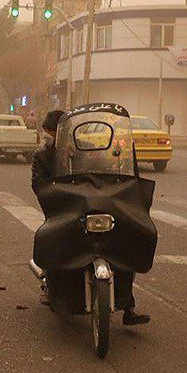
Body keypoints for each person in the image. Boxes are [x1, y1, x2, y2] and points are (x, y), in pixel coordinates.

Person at [31, 108, 150, 326]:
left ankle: (128, 305)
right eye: (49, 132)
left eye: (54, 131)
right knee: (56, 240)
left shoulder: (85, 151)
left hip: (93, 204)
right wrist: (54, 195)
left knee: (124, 244)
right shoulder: (43, 156)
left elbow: (103, 174)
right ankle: (52, 287)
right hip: (64, 207)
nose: (51, 136)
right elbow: (38, 184)